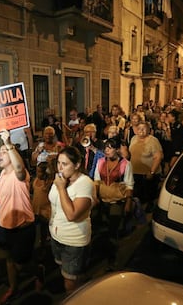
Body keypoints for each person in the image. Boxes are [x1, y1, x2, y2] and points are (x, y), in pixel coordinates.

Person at [0, 129, 44, 304]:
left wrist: (8, 143)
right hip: (4, 226)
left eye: (4, 152)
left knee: (21, 263)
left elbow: (19, 168)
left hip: (22, 227)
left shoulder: (20, 175)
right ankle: (13, 288)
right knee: (9, 260)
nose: (0, 155)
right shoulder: (2, 174)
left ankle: (38, 271)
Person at [49, 146, 95, 295]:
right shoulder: (61, 179)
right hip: (56, 236)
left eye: (65, 164)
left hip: (74, 241)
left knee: (71, 283)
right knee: (65, 272)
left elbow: (72, 215)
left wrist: (61, 188)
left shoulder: (85, 183)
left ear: (77, 165)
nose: (60, 168)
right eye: (58, 163)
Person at [93, 138, 134, 269]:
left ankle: (112, 257)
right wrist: (95, 197)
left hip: (117, 201)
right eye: (105, 148)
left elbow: (129, 184)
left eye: (110, 148)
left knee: (113, 229)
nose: (107, 150)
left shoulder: (125, 164)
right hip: (101, 200)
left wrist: (128, 202)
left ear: (117, 149)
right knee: (100, 227)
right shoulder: (100, 162)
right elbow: (96, 181)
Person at [129, 121, 164, 213]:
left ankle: (149, 207)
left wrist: (152, 171)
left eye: (144, 128)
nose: (141, 130)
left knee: (149, 193)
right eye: (139, 128)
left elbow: (158, 157)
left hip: (148, 174)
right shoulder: (133, 138)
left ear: (148, 130)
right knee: (137, 194)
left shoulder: (153, 141)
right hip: (135, 172)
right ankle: (137, 210)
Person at [31, 161, 54, 261]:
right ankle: (43, 247)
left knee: (49, 229)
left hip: (46, 211)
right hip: (37, 210)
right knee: (42, 231)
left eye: (39, 172)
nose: (37, 173)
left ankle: (52, 249)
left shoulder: (49, 183)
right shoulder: (36, 180)